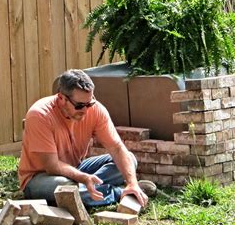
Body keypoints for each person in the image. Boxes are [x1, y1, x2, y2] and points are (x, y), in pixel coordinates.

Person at [18, 69, 149, 208]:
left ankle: (112, 189)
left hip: (76, 169)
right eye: (80, 105)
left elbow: (116, 148)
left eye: (90, 103)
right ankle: (119, 192)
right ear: (62, 98)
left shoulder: (96, 110)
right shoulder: (40, 115)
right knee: (68, 189)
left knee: (129, 159)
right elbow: (52, 166)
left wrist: (132, 182)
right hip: (41, 178)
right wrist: (84, 178)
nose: (86, 110)